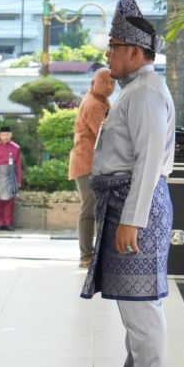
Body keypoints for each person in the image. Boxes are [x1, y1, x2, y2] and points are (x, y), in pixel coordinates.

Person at [82, 0, 174, 367]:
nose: (108, 53)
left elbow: (150, 162)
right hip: (125, 204)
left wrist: (132, 220)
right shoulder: (136, 90)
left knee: (143, 311)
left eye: (114, 46)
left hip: (137, 208)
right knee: (134, 308)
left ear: (135, 52)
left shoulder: (148, 93)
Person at [69, 68, 115, 267]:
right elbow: (106, 136)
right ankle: (86, 256)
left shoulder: (102, 101)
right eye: (105, 81)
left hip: (93, 164)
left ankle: (93, 254)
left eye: (113, 83)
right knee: (90, 209)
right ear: (92, 83)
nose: (110, 86)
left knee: (96, 208)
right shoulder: (94, 104)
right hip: (87, 164)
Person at [0, 126, 22, 231]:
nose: (5, 137)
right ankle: (0, 223)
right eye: (3, 135)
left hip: (11, 174)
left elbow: (19, 165)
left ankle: (8, 223)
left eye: (7, 135)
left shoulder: (16, 148)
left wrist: (19, 180)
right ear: (0, 136)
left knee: (10, 200)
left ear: (11, 135)